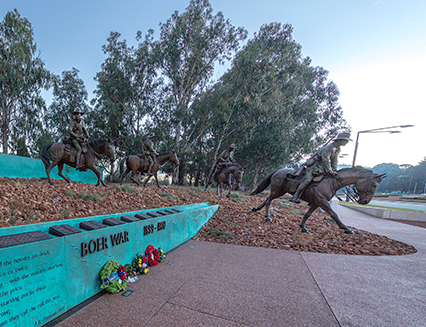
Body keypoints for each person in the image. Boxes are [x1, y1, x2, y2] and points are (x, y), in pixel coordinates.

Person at [289, 132, 352, 203]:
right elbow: (325, 160)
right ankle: (295, 196)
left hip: (324, 167)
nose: (347, 142)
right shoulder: (329, 148)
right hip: (315, 166)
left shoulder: (338, 149)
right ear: (340, 140)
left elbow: (334, 160)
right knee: (307, 180)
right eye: (346, 140)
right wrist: (329, 170)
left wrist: (335, 169)